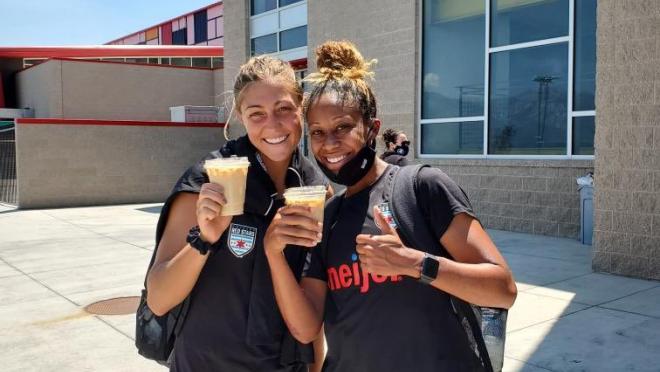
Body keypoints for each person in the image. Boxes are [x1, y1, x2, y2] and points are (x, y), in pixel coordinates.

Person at [264, 40, 517, 372]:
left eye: (343, 127)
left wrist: (415, 264)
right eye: (318, 132)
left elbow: (503, 290)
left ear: (372, 129)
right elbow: (306, 328)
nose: (329, 144)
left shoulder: (422, 187)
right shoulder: (328, 217)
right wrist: (273, 254)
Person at [146, 55, 329, 372]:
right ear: (241, 118)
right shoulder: (209, 182)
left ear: (301, 108)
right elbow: (159, 299)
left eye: (284, 108)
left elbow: (312, 296)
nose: (272, 124)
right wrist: (204, 240)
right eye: (256, 114)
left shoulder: (313, 187)